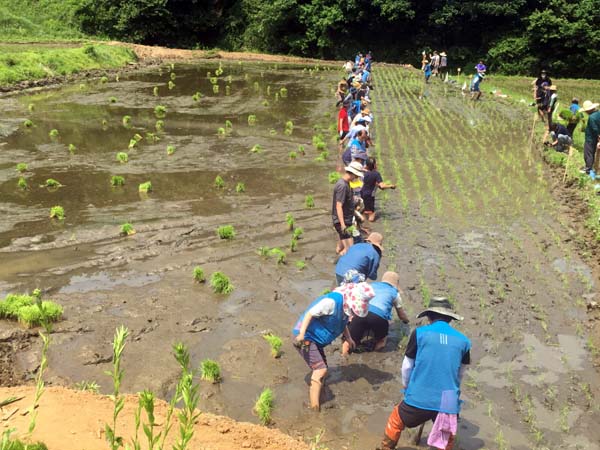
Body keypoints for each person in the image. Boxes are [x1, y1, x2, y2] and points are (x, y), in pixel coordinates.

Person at [378, 297, 471, 450]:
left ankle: (386, 448)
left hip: (420, 394)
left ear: (428, 317)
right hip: (448, 399)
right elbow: (460, 374)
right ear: (450, 319)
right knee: (446, 436)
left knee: (396, 419)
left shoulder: (420, 333)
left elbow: (407, 366)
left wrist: (408, 387)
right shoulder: (464, 341)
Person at [293, 282, 375, 411]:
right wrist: (302, 334)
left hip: (317, 341)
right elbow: (310, 313)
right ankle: (314, 409)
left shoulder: (346, 308)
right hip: (305, 338)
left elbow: (342, 324)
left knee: (323, 370)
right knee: (321, 370)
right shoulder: (331, 302)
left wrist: (349, 338)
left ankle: (319, 389)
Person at [342, 271, 409, 355]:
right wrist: (406, 321)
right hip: (379, 318)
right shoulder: (395, 293)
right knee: (382, 340)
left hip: (361, 313)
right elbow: (401, 315)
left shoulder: (371, 285)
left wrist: (351, 316)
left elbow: (356, 299)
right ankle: (374, 355)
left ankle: (343, 358)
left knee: (348, 341)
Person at [332, 161, 364, 255]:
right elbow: (338, 206)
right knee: (350, 250)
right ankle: (342, 266)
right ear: (353, 174)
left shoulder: (347, 184)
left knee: (341, 247)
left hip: (347, 220)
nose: (357, 178)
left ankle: (334, 261)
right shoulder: (342, 186)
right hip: (343, 222)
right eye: (356, 176)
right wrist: (342, 225)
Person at [362, 157, 396, 222]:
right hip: (370, 195)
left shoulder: (365, 172)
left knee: (367, 207)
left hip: (363, 192)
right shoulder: (376, 174)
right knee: (371, 215)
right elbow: (382, 186)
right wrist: (390, 186)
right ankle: (364, 220)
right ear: (375, 165)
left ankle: (364, 213)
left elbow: (374, 183)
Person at [581, 100, 600, 178]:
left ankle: (588, 168)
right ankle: (589, 167)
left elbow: (595, 129)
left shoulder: (591, 118)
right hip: (595, 138)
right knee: (592, 153)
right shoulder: (598, 114)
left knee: (588, 153)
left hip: (590, 138)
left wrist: (599, 136)